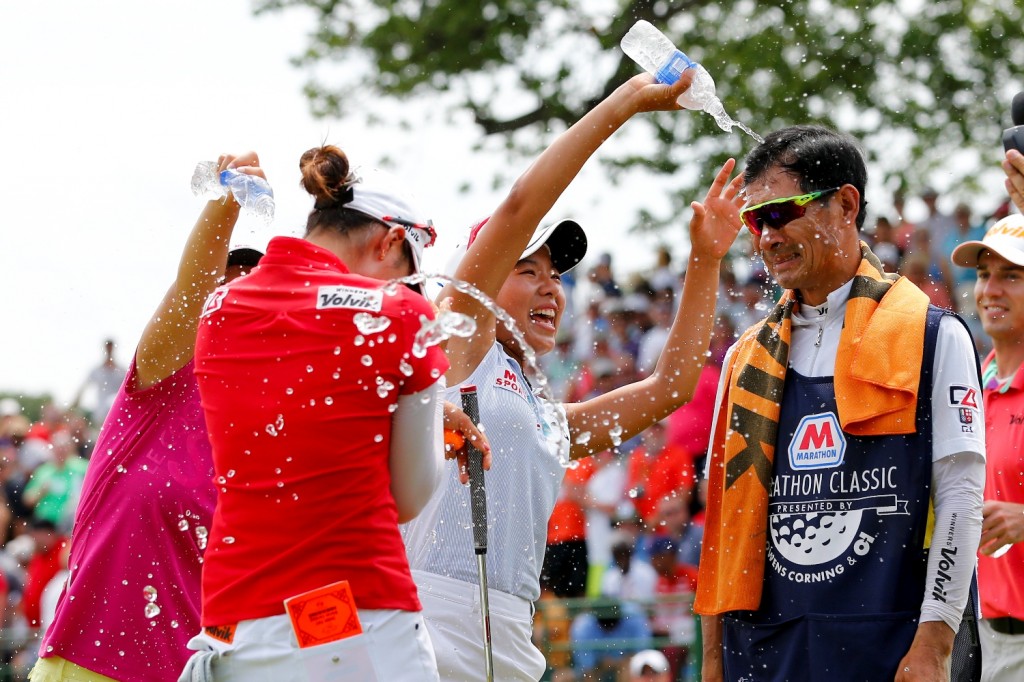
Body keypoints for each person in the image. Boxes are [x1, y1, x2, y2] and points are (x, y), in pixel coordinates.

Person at [401, 71, 743, 680]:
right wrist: (629, 101)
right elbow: (519, 205)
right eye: (526, 268)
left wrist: (707, 259)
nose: (549, 288)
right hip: (427, 623)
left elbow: (671, 388)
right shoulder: (456, 340)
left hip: (509, 629)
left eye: (556, 275)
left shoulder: (539, 411)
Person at [696, 125, 985, 682]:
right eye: (754, 221)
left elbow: (961, 498)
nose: (765, 238)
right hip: (762, 652)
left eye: (779, 213)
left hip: (890, 647)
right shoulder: (742, 358)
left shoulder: (935, 336)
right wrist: (712, 664)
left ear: (845, 205)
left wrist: (934, 644)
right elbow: (722, 524)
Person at [183, 145, 471, 681]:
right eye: (410, 275)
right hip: (355, 619)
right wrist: (431, 427)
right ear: (389, 243)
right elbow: (408, 496)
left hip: (231, 628)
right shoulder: (399, 312)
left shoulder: (219, 311)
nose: (412, 291)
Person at [30, 152, 266, 682]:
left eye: (264, 286)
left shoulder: (268, 428)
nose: (246, 293)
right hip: (92, 666)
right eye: (234, 279)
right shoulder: (160, 383)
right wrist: (230, 200)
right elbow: (191, 292)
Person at [951, 213, 1024, 681]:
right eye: (983, 274)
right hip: (983, 641)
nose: (990, 290)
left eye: (1012, 276)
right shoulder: (968, 384)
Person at [71, 339, 127, 427]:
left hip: (118, 410)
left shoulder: (121, 370)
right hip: (101, 412)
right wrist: (74, 405)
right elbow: (83, 388)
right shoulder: (96, 370)